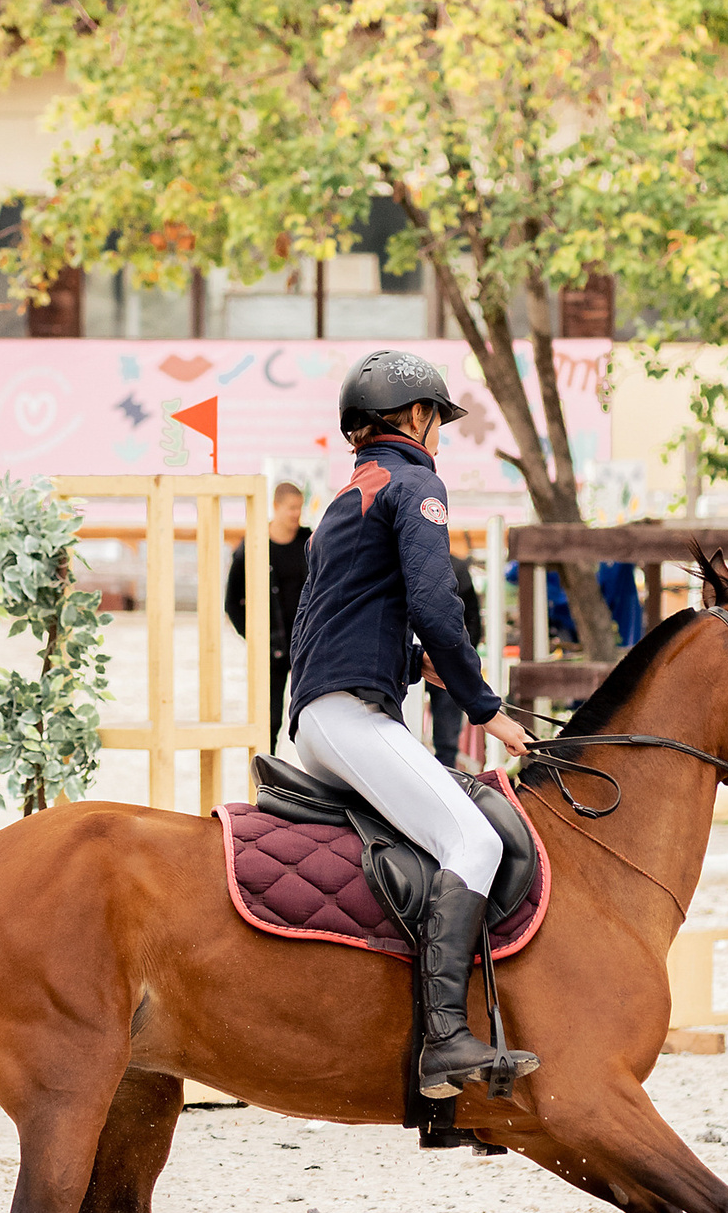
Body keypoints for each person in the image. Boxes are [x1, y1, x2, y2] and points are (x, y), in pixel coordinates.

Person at [289, 350, 537, 1101]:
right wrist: (486, 707)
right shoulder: (418, 482)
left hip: (321, 710)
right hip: (348, 715)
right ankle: (444, 1040)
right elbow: (437, 605)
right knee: (477, 838)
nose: (441, 438)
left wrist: (409, 663)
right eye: (439, 423)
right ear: (417, 417)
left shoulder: (346, 498)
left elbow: (335, 615)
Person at [224, 480, 310, 754]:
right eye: (291, 508)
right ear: (275, 507)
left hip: (306, 647)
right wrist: (254, 637)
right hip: (269, 648)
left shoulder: (309, 542)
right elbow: (232, 602)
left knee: (309, 719)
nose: (296, 514)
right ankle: (266, 775)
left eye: (299, 508)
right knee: (268, 720)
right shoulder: (253, 545)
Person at [428, 549, 481, 767]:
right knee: (446, 740)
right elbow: (474, 619)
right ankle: (446, 775)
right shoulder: (457, 567)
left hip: (436, 653)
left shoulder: (456, 568)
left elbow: (473, 620)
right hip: (446, 654)